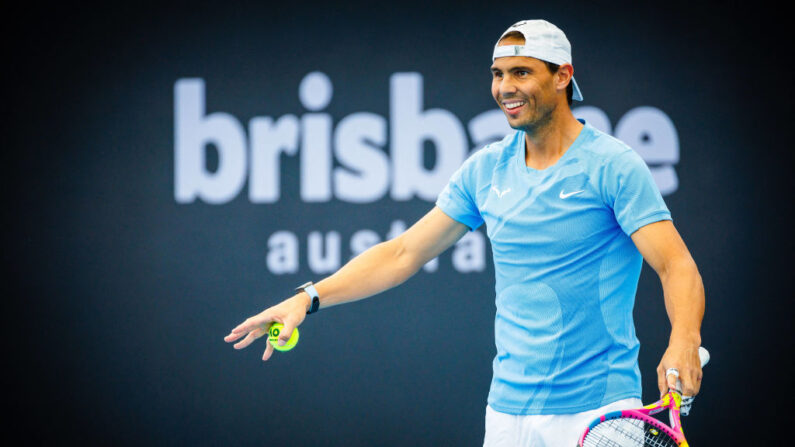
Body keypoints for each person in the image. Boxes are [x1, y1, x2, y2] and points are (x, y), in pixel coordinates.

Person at [224, 19, 705, 446]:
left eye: (521, 72)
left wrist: (683, 337)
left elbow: (675, 264)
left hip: (597, 412)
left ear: (563, 76)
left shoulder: (612, 165)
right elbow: (403, 253)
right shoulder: (486, 170)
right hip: (507, 416)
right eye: (498, 74)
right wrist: (306, 298)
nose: (505, 87)